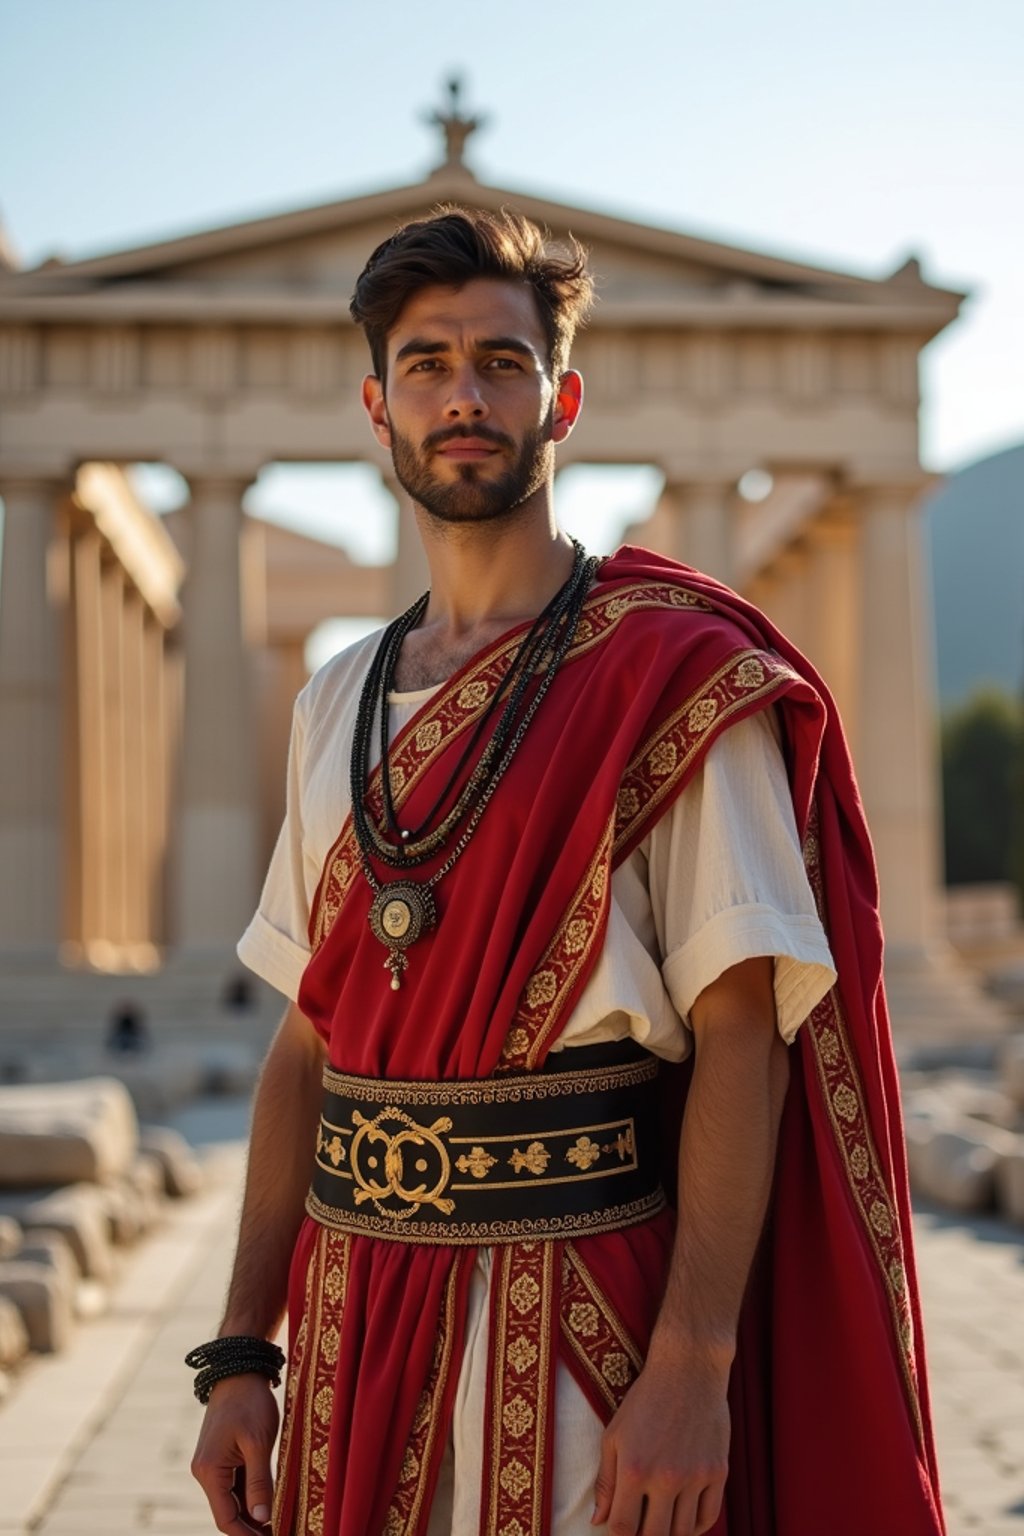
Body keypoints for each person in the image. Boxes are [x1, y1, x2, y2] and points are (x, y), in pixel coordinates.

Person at [190, 207, 946, 1536]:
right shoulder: (336, 701)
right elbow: (308, 1046)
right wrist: (243, 1353)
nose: (462, 396)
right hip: (353, 1332)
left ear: (563, 398)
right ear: (377, 407)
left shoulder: (675, 679)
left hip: (585, 1329)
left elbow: (740, 1032)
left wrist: (696, 1367)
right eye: (426, 365)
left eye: (500, 361)